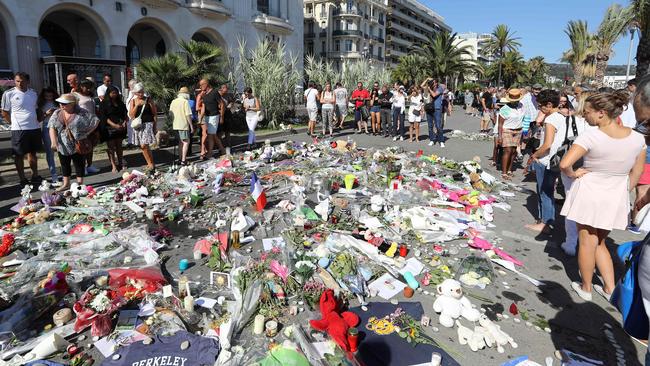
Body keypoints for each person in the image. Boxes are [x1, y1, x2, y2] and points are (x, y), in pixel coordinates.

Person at [559, 91, 646, 302]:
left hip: (590, 190)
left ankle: (586, 287)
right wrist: (623, 190)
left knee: (587, 240)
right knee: (600, 242)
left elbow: (564, 164)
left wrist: (573, 173)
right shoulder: (638, 138)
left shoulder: (592, 136)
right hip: (615, 192)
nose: (585, 116)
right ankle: (609, 288)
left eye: (587, 112)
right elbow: (637, 172)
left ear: (601, 113)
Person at [555, 91, 596, 255]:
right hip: (594, 170)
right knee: (590, 207)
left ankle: (571, 243)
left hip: (573, 168)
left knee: (571, 205)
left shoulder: (570, 120)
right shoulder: (605, 126)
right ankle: (589, 241)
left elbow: (559, 146)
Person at [525, 90, 564, 234]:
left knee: (544, 192)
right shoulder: (561, 116)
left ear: (549, 104)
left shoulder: (551, 119)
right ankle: (547, 220)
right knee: (548, 192)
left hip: (546, 160)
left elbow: (547, 145)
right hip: (555, 160)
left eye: (541, 105)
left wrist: (534, 155)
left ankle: (545, 223)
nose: (539, 108)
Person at [49, 93, 99, 191]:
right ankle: (66, 183)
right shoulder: (57, 113)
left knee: (79, 163)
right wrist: (53, 142)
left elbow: (95, 121)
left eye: (65, 103)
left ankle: (79, 183)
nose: (62, 105)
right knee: (64, 163)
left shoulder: (82, 112)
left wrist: (87, 133)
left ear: (73, 103)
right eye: (60, 103)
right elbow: (51, 127)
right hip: (62, 144)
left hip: (78, 143)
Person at [1, 72, 43, 186]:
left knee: (32, 153)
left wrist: (38, 119)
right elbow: (4, 112)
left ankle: (35, 175)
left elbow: (36, 108)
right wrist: (13, 123)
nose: (20, 83)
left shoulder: (33, 93)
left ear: (28, 81)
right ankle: (22, 179)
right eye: (17, 81)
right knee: (19, 155)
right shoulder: (8, 93)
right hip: (18, 130)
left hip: (34, 128)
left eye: (22, 81)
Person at [128, 83, 157, 171]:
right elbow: (131, 115)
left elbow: (154, 113)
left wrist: (155, 126)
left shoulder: (148, 100)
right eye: (138, 92)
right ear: (135, 93)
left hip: (148, 124)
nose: (140, 94)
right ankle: (151, 163)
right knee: (143, 146)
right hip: (138, 125)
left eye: (142, 92)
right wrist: (137, 105)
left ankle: (151, 164)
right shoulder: (133, 101)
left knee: (144, 144)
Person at [99, 85, 127, 172]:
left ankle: (120, 163)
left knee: (119, 146)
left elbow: (125, 113)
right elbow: (104, 117)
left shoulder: (120, 102)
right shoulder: (104, 103)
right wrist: (114, 125)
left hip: (120, 127)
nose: (115, 95)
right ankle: (113, 165)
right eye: (113, 93)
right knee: (111, 147)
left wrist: (124, 122)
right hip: (109, 128)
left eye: (116, 93)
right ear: (109, 93)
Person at [497, 89, 525, 180]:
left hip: (518, 130)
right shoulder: (505, 109)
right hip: (507, 130)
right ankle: (504, 172)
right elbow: (500, 124)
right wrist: (500, 136)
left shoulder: (521, 106)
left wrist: (525, 130)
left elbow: (524, 118)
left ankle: (510, 170)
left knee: (513, 151)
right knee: (507, 150)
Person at [75, 79, 100, 174]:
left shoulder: (90, 96)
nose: (89, 89)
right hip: (81, 123)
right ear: (81, 86)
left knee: (90, 145)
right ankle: (82, 166)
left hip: (92, 123)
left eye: (90, 87)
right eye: (87, 87)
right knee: (82, 146)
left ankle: (90, 165)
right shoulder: (76, 96)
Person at [38, 87, 60, 184]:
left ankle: (65, 173)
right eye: (46, 96)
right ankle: (54, 174)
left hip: (58, 126)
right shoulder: (41, 104)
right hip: (47, 127)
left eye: (51, 96)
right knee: (50, 152)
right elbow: (39, 119)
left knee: (63, 150)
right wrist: (46, 114)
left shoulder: (58, 102)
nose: (49, 98)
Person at [199, 79, 225, 159]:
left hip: (214, 116)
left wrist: (221, 117)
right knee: (213, 134)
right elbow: (203, 107)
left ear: (206, 84)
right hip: (207, 117)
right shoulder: (204, 94)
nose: (200, 87)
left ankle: (210, 153)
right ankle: (222, 149)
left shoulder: (214, 92)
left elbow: (222, 104)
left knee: (210, 135)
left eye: (201, 85)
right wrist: (200, 118)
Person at [169, 87, 194, 165]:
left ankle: (180, 159)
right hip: (183, 125)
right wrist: (191, 126)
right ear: (186, 94)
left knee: (180, 142)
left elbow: (170, 114)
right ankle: (183, 160)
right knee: (186, 142)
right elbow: (188, 115)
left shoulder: (173, 101)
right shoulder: (185, 102)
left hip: (175, 125)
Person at [422, 78, 445, 147]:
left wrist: (429, 89)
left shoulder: (440, 88)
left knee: (438, 125)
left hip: (437, 109)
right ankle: (432, 140)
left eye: (434, 82)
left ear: (437, 83)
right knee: (430, 126)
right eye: (432, 82)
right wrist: (426, 80)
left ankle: (441, 140)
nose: (433, 84)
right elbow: (421, 86)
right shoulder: (429, 88)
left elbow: (434, 95)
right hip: (429, 108)